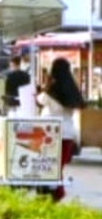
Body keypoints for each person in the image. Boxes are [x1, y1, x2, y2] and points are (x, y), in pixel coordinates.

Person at [39, 57, 86, 201]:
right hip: (67, 133)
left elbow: (40, 100)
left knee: (48, 166)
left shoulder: (51, 90)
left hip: (49, 133)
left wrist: (45, 85)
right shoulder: (72, 89)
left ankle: (53, 194)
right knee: (58, 167)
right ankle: (56, 193)